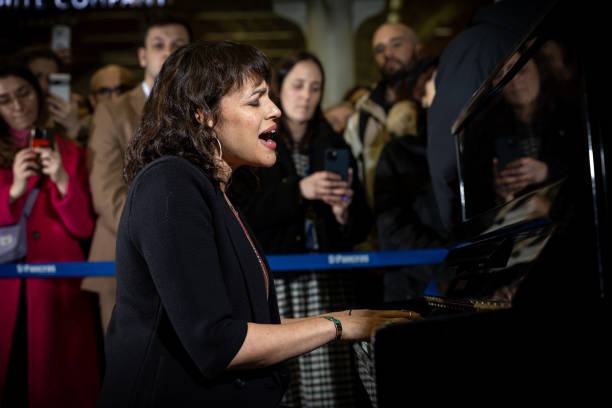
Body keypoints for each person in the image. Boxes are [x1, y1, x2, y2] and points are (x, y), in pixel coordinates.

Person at [99, 41, 417, 407]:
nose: (275, 109)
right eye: (256, 101)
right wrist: (341, 326)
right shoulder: (170, 184)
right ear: (204, 115)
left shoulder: (214, 190)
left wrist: (349, 318)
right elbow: (218, 342)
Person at [229, 51, 372, 406]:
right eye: (297, 85)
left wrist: (342, 213)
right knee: (282, 381)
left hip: (326, 280)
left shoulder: (335, 144)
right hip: (276, 278)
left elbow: (360, 226)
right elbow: (243, 213)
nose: (306, 95)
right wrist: (299, 191)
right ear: (278, 88)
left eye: (315, 87)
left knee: (329, 385)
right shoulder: (253, 143)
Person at [84, 14, 191, 333]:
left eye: (178, 45)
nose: (168, 52)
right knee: (130, 369)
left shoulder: (202, 109)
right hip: (125, 254)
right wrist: (157, 240)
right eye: (158, 45)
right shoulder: (112, 111)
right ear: (143, 55)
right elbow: (107, 193)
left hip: (190, 256)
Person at [0, 65, 99, 407]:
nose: (17, 105)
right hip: (7, 285)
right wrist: (12, 192)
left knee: (59, 380)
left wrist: (62, 181)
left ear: (38, 96)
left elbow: (84, 227)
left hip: (60, 285)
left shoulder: (71, 150)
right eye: (4, 99)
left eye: (24, 94)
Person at [426, 0, 549, 237]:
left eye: (519, 70)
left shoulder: (556, 117)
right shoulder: (484, 47)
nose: (515, 81)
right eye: (503, 74)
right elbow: (450, 153)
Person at [343, 21, 422, 249]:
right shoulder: (361, 120)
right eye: (379, 50)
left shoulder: (436, 105)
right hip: (382, 246)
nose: (388, 54)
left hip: (437, 243)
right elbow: (354, 188)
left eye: (397, 44)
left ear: (419, 49)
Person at [374, 57, 447, 301]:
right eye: (439, 80)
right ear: (422, 95)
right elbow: (392, 228)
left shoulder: (478, 147)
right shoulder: (398, 153)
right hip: (413, 290)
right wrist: (452, 266)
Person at [19, 46, 86, 142]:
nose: (45, 84)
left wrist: (73, 127)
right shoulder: (16, 113)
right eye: (37, 76)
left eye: (52, 78)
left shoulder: (76, 109)